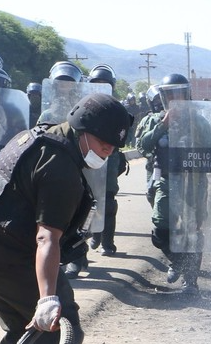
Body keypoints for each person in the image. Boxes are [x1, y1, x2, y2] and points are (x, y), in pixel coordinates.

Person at [0, 92, 131, 344]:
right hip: (6, 258)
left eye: (114, 147)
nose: (109, 152)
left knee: (23, 330)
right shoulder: (60, 171)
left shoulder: (40, 137)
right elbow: (46, 238)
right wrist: (47, 299)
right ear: (84, 130)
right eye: (105, 145)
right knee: (62, 330)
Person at [135, 73, 211, 295]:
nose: (175, 98)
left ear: (187, 94)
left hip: (193, 182)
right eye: (170, 94)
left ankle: (191, 283)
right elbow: (143, 146)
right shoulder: (156, 120)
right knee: (160, 230)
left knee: (192, 232)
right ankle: (178, 261)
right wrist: (163, 125)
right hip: (166, 181)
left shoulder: (199, 121)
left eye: (179, 93)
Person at [86, 64, 128, 259]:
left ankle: (108, 243)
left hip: (109, 162)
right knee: (87, 203)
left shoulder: (117, 108)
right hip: (87, 161)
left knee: (108, 204)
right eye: (97, 84)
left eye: (104, 84)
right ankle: (93, 233)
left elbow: (124, 133)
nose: (100, 87)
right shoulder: (84, 105)